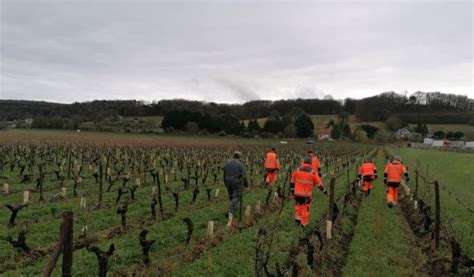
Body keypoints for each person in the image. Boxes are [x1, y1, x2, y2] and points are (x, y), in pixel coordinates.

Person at [290, 156, 327, 226]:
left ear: (303, 162)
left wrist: (293, 192)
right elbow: (319, 184)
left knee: (298, 206)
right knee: (305, 208)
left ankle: (297, 220)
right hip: (306, 195)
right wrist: (325, 192)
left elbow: (292, 181)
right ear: (311, 163)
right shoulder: (312, 173)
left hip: (297, 194)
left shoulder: (297, 170)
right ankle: (304, 224)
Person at [223, 151, 248, 218]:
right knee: (236, 197)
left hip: (227, 181)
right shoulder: (240, 164)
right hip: (236, 182)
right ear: (239, 157)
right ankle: (230, 210)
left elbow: (224, 173)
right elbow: (244, 176)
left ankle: (233, 210)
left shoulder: (227, 163)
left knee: (231, 197)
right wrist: (246, 184)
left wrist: (225, 183)